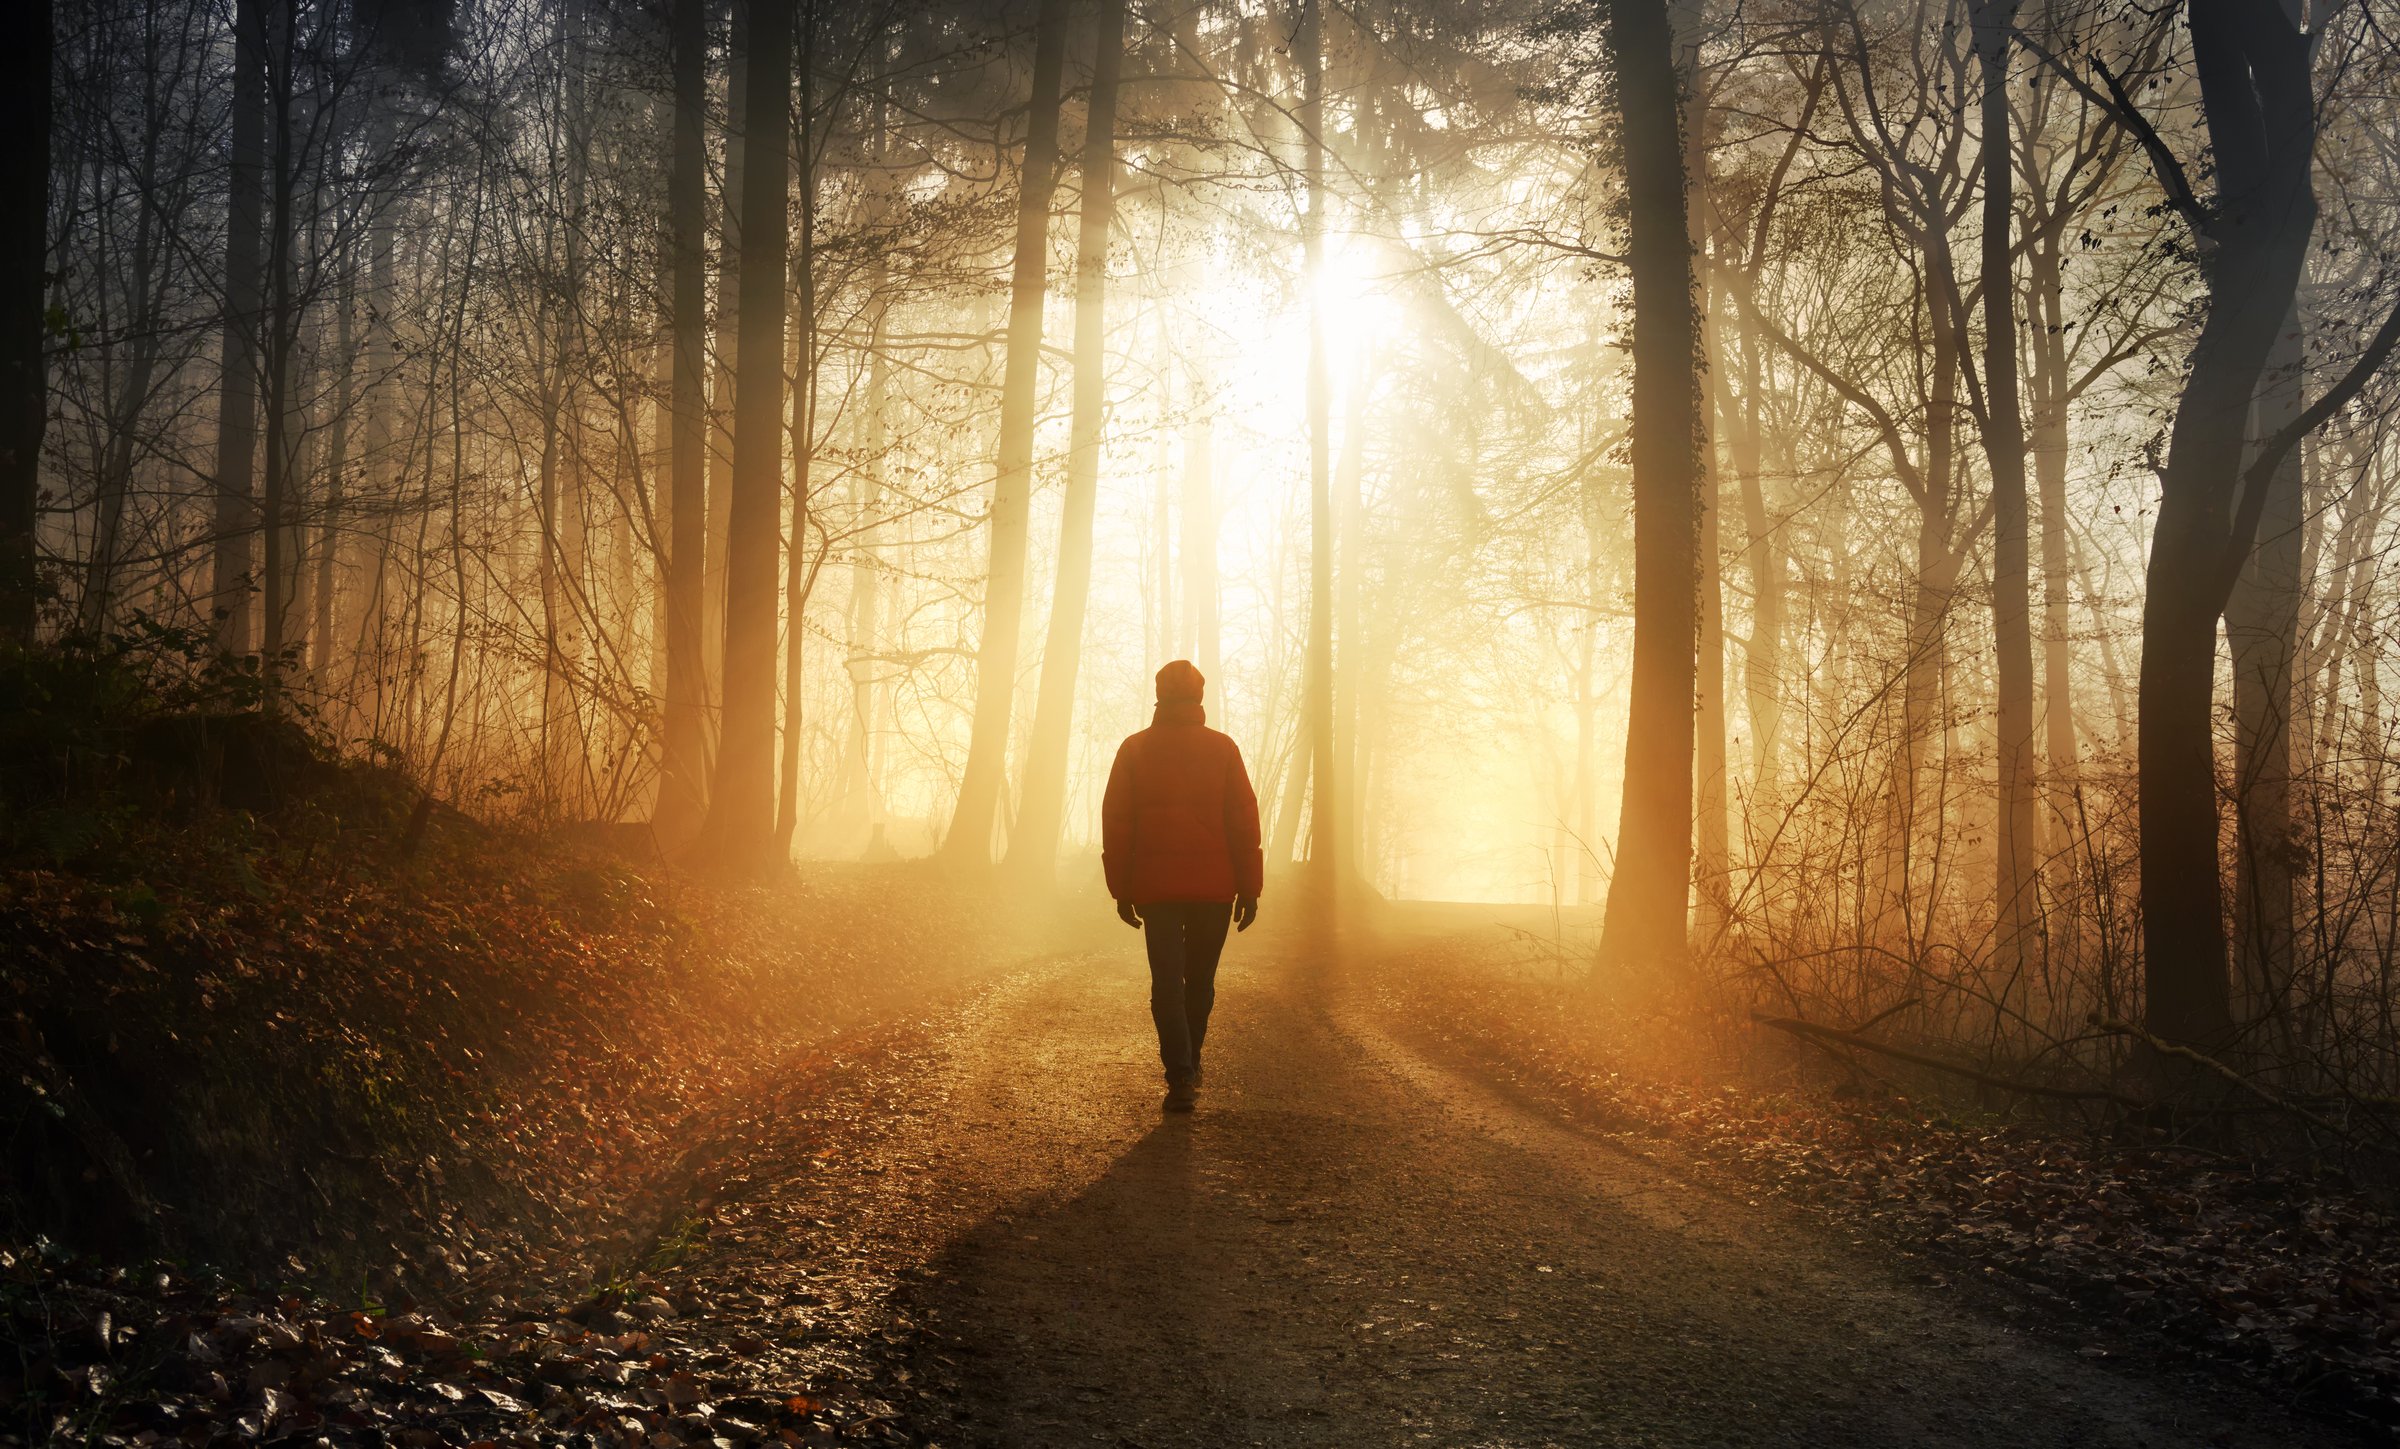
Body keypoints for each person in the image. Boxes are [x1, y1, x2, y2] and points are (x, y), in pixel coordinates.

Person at [1101, 660, 1263, 1113]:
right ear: (1200, 698)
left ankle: (1181, 1074)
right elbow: (1243, 821)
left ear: (1159, 695)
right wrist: (1249, 888)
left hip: (1158, 891)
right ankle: (1190, 1063)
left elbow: (1116, 822)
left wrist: (1122, 888)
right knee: (1200, 983)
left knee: (1167, 983)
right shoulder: (1223, 749)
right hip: (1215, 891)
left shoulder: (1135, 750)